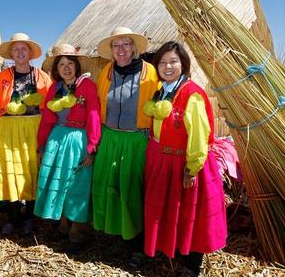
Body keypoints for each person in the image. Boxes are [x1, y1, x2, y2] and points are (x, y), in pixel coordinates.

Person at [143, 41, 227, 277]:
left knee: (191, 214)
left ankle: (191, 265)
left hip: (187, 163)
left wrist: (192, 169)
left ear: (183, 64)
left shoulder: (192, 94)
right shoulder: (161, 91)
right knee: (171, 211)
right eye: (162, 62)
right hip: (165, 161)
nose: (167, 66)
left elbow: (200, 134)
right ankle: (173, 252)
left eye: (173, 61)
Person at [92, 27, 158, 266]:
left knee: (132, 189)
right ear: (111, 51)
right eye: (116, 46)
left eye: (125, 44)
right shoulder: (106, 72)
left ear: (134, 48)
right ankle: (117, 235)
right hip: (110, 137)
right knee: (110, 186)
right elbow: (98, 104)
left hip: (136, 140)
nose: (121, 50)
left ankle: (138, 246)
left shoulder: (150, 72)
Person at [34, 44, 101, 252]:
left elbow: (94, 115)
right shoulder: (55, 88)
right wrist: (42, 144)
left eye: (70, 63)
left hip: (78, 140)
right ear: (56, 68)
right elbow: (47, 118)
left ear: (77, 66)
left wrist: (91, 147)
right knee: (60, 181)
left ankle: (79, 233)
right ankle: (63, 226)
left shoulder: (87, 85)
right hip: (57, 139)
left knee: (77, 184)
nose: (66, 68)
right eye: (62, 64)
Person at [0, 32, 52, 236]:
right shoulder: (3, 77)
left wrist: (47, 133)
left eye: (24, 48)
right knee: (11, 171)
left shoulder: (42, 77)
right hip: (9, 129)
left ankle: (30, 218)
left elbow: (50, 105)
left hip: (33, 128)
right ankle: (13, 217)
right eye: (16, 49)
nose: (20, 52)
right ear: (11, 54)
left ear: (31, 53)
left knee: (32, 171)